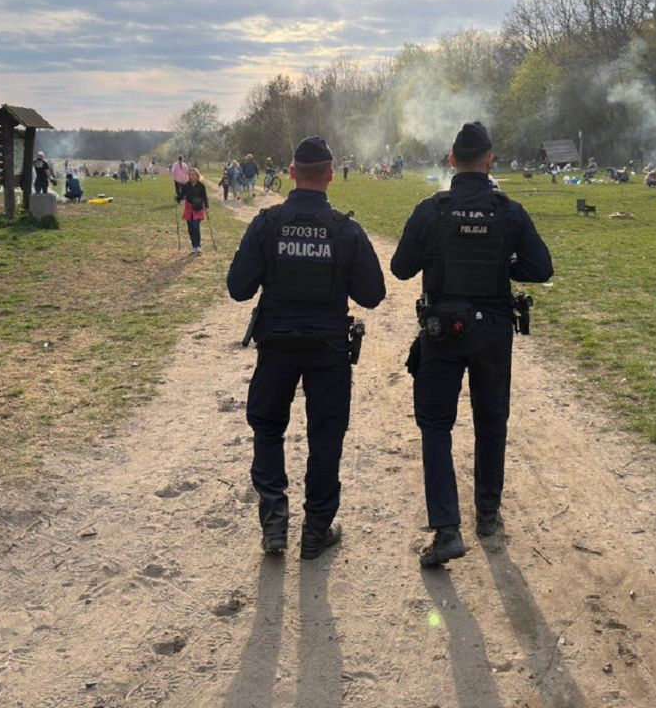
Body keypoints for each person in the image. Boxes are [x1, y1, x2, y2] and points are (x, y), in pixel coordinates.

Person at [391, 122, 553, 568]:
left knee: (436, 425)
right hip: (493, 333)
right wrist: (503, 265)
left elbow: (401, 268)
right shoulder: (508, 211)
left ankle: (446, 529)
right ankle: (487, 514)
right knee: (491, 421)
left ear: (450, 161)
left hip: (443, 332)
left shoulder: (432, 210)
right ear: (489, 161)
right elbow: (541, 267)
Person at [227, 136, 386, 559]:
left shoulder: (267, 224)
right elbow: (372, 294)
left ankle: (274, 524)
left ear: (292, 173)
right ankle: (316, 529)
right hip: (328, 348)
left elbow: (238, 288)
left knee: (267, 428)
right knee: (326, 434)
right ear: (331, 176)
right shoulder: (345, 230)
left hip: (276, 344)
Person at [180, 168, 209, 254]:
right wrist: (177, 197)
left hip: (198, 208)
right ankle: (194, 246)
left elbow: (204, 197)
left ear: (197, 176)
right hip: (189, 208)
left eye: (193, 175)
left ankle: (198, 246)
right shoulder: (186, 185)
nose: (191, 177)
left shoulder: (201, 185)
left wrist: (206, 207)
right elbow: (182, 195)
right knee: (190, 229)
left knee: (196, 226)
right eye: (190, 175)